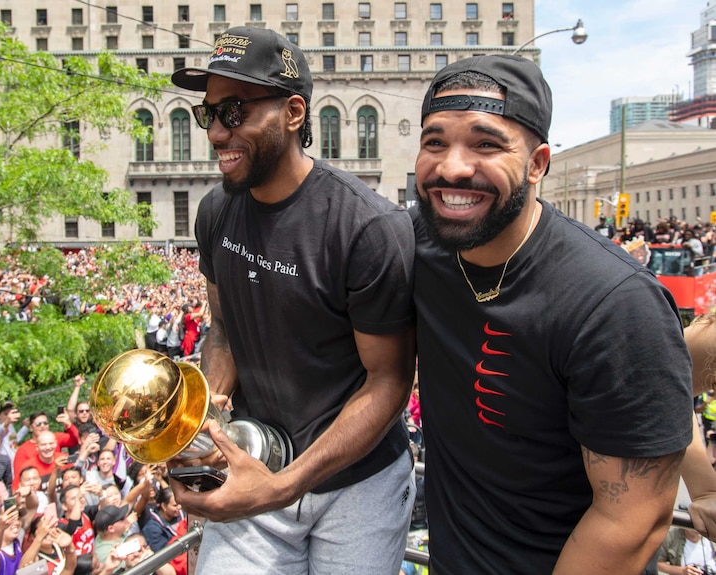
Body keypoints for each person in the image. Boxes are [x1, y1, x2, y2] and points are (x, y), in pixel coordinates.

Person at [411, 54, 692, 574]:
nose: (451, 166)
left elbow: (633, 519)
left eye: (486, 143)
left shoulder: (614, 300)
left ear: (538, 163)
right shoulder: (417, 246)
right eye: (435, 142)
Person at [170, 26, 416, 574]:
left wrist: (283, 488)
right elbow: (224, 332)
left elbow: (390, 383)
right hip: (255, 461)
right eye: (207, 113)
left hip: (357, 484)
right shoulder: (214, 213)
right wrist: (205, 419)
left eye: (234, 112)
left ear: (295, 113)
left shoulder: (368, 226)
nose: (215, 133)